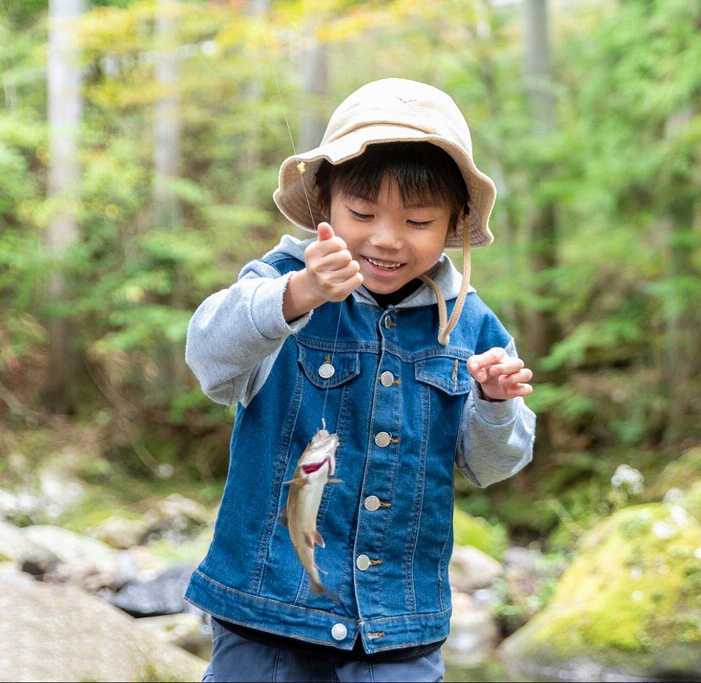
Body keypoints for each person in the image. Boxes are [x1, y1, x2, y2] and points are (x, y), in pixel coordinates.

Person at [184, 77, 536, 682]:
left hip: (399, 626)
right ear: (325, 202)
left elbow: (492, 465)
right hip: (268, 612)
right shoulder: (279, 281)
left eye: (418, 220)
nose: (385, 239)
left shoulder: (472, 324)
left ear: (455, 222)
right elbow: (209, 360)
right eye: (363, 213)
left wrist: (494, 402)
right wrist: (298, 294)